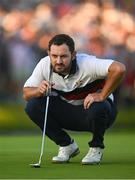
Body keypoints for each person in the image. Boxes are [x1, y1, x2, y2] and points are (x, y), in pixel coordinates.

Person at [23, 34, 126, 165]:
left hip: (100, 114)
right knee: (33, 105)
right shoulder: (44, 64)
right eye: (54, 56)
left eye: (64, 56)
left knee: (98, 105)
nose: (58, 61)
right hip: (71, 114)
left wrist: (101, 95)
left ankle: (96, 147)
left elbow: (119, 69)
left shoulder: (87, 63)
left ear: (73, 55)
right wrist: (38, 90)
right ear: (49, 53)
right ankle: (66, 146)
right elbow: (26, 94)